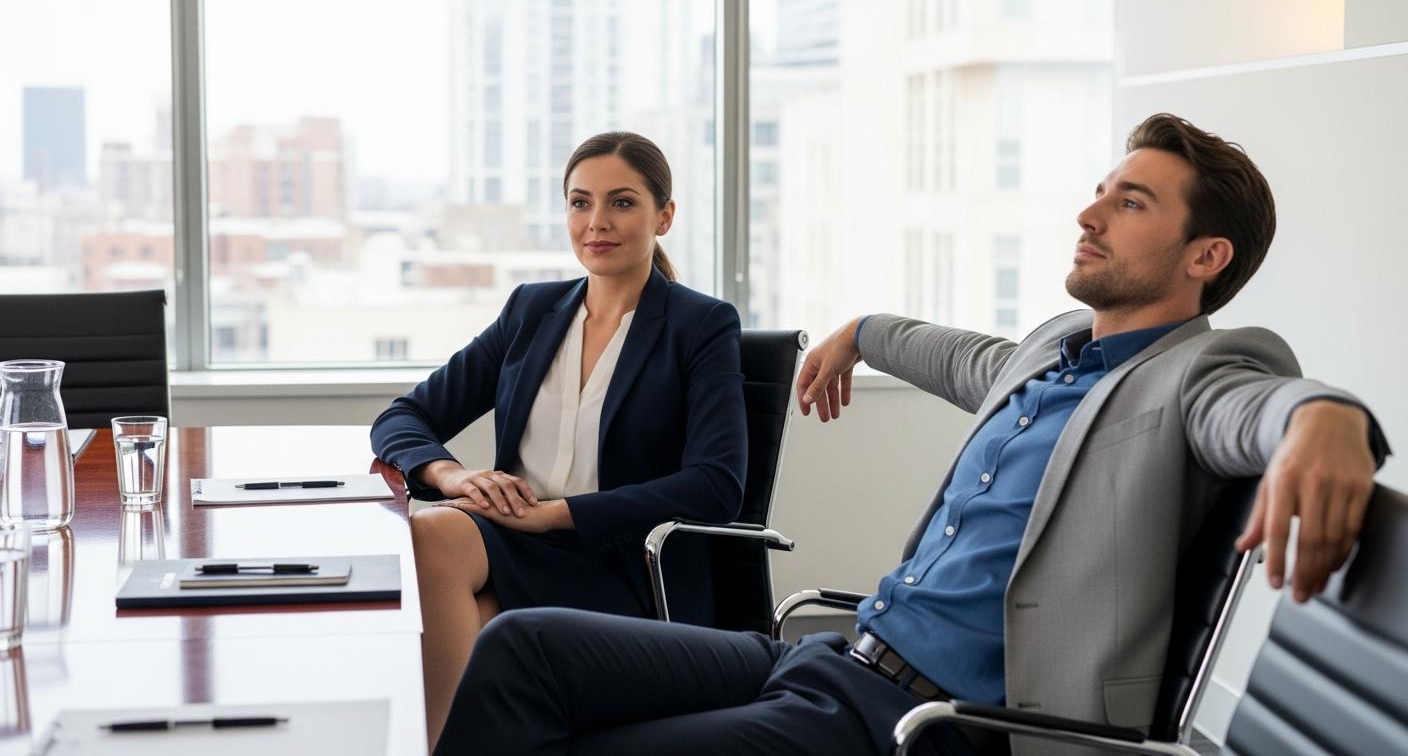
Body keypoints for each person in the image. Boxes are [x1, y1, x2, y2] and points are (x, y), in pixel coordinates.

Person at [431, 114, 1389, 756]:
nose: (1089, 213)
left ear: (1204, 256)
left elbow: (1254, 404)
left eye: (1129, 204)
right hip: (835, 655)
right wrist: (866, 331)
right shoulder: (1055, 351)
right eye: (1101, 191)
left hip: (922, 721)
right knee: (521, 650)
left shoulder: (1195, 376)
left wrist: (1327, 416)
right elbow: (962, 356)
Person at [370, 132, 747, 748]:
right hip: (512, 545)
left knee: (472, 618)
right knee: (436, 533)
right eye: (580, 203)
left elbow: (717, 484)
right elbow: (403, 418)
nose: (597, 221)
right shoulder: (531, 311)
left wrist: (554, 517)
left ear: (665, 216)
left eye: (622, 203)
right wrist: (454, 477)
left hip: (623, 561)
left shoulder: (700, 325)